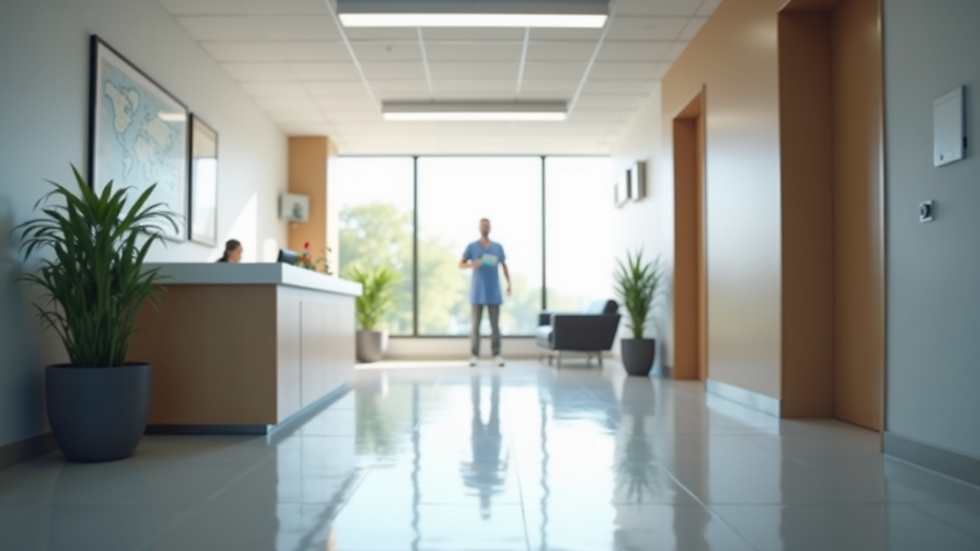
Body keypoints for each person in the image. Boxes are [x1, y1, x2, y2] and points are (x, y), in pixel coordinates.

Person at [459, 218, 511, 367]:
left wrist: (509, 284)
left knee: (495, 325)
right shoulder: (472, 247)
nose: (485, 228)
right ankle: (474, 355)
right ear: (479, 228)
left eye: (487, 226)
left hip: (493, 291)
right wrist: (472, 264)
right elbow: (460, 264)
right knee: (475, 325)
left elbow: (504, 265)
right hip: (477, 292)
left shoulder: (497, 247)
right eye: (483, 226)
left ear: (490, 228)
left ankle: (497, 354)